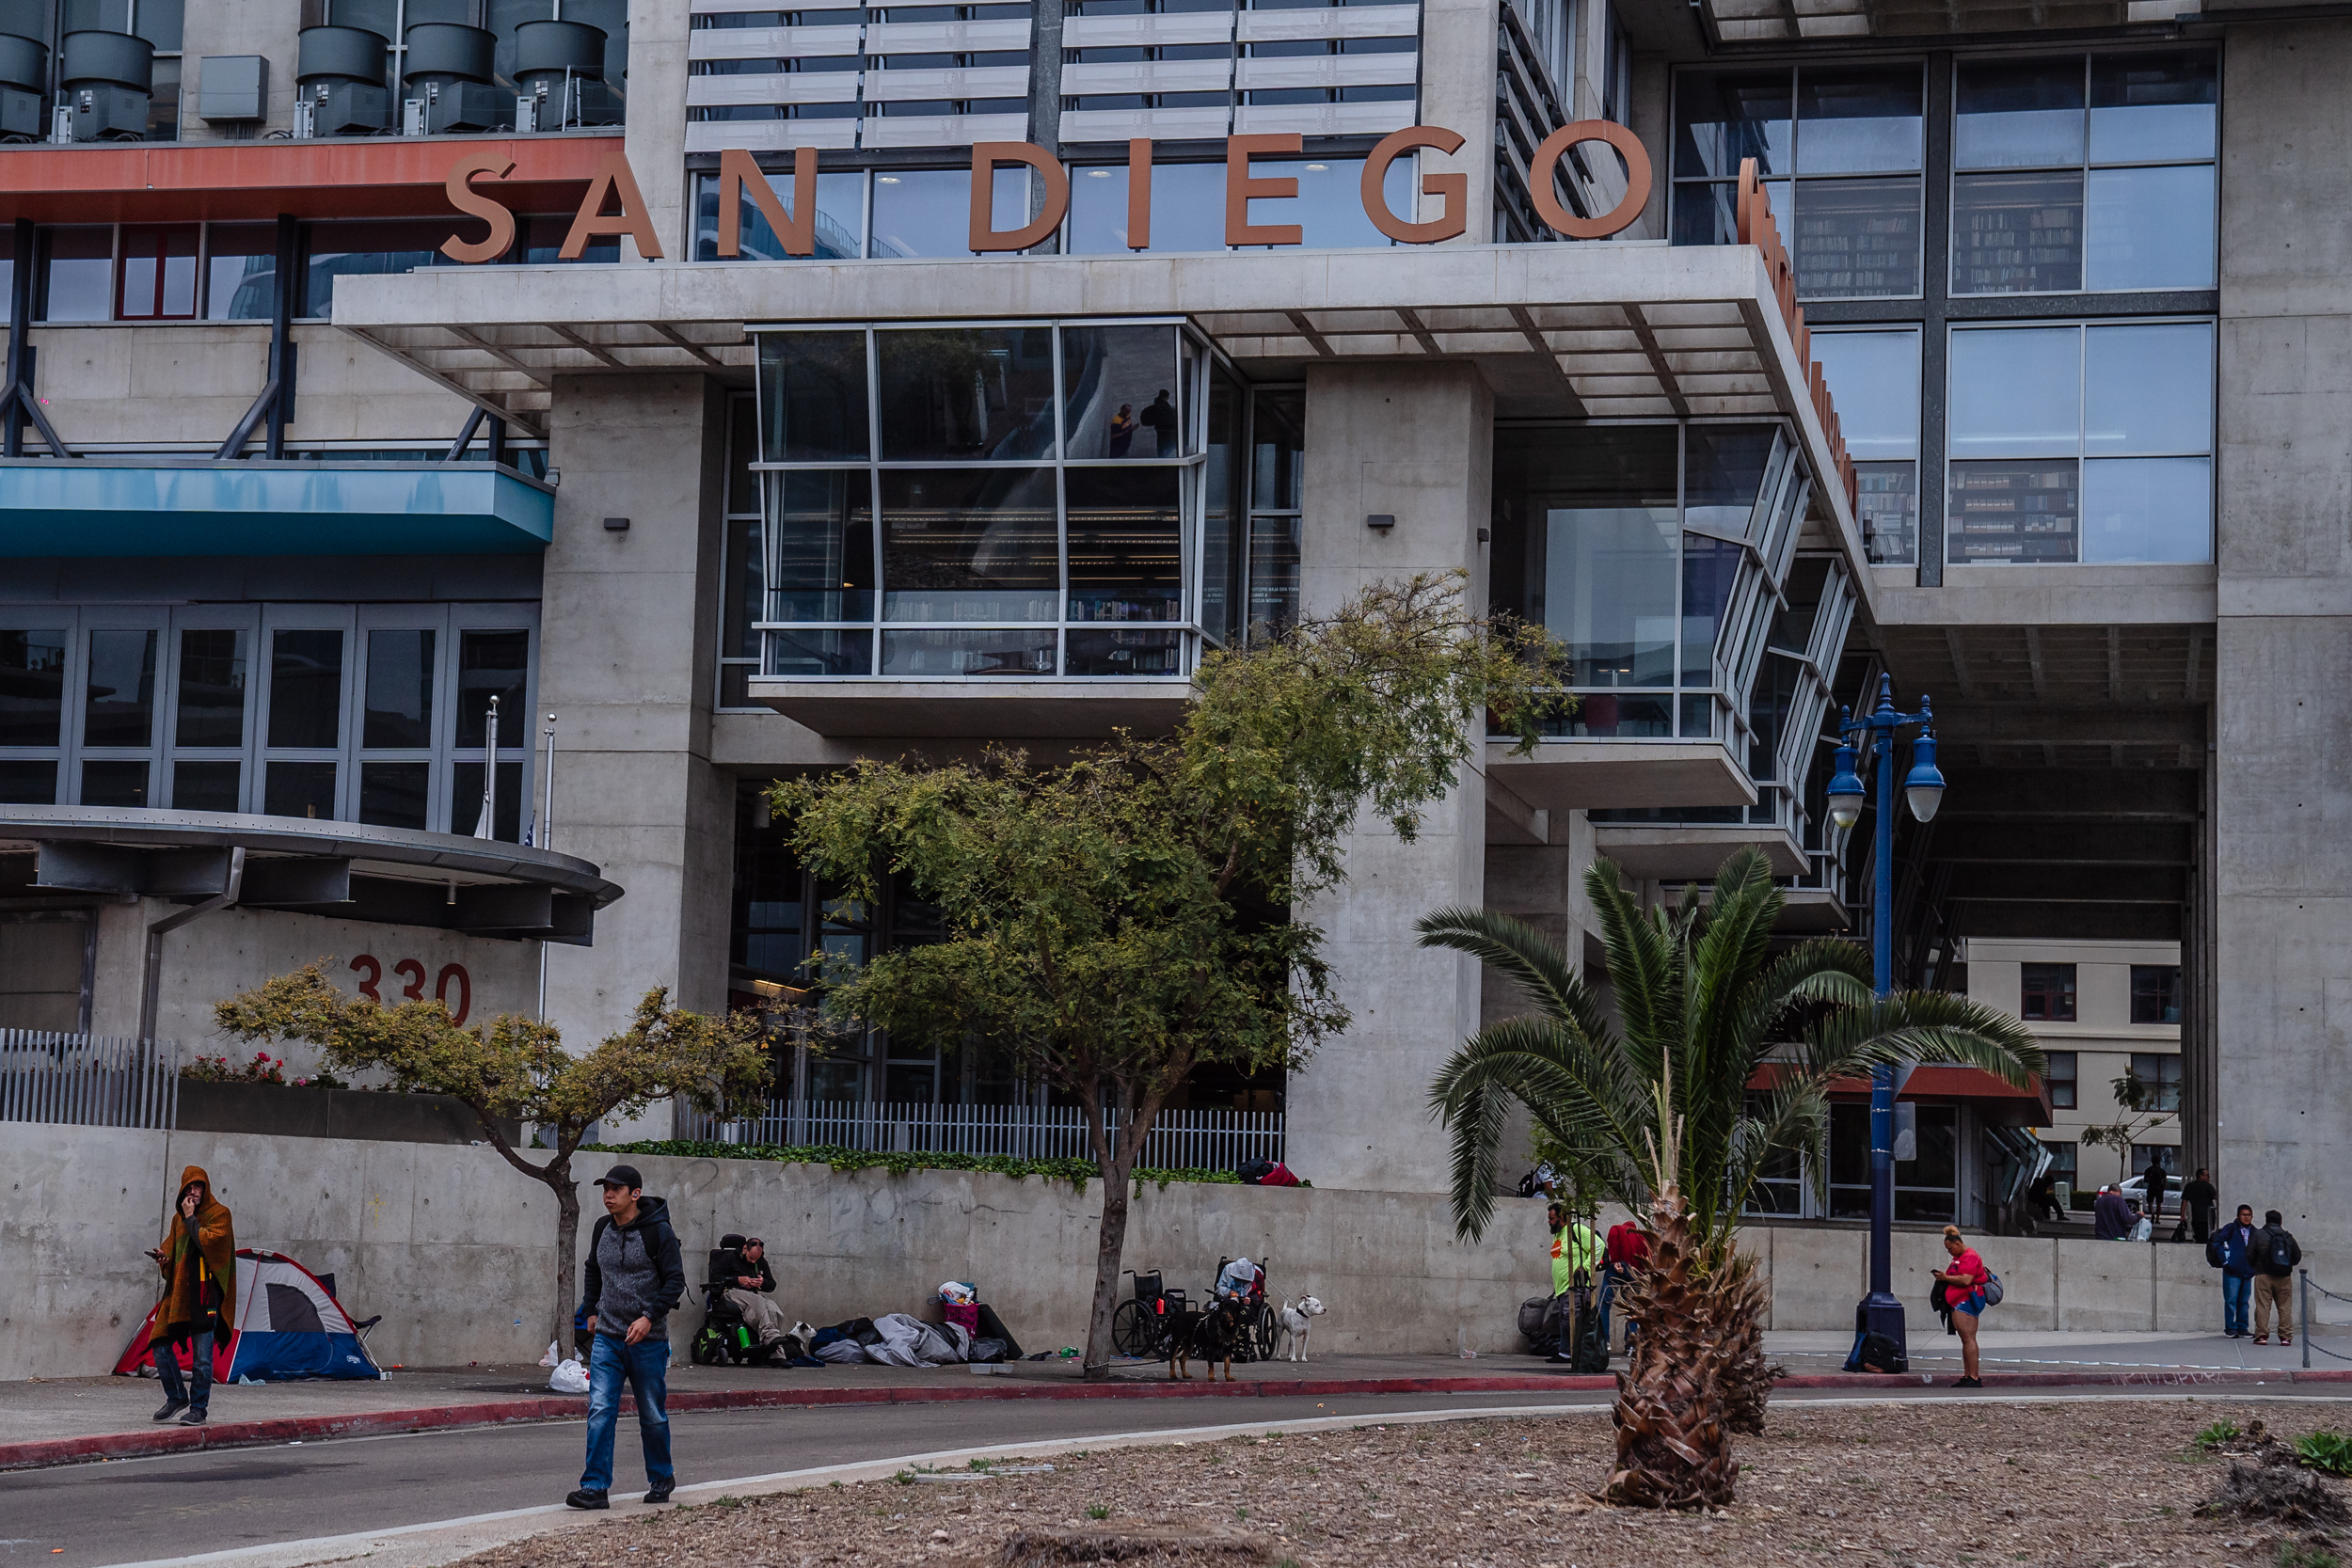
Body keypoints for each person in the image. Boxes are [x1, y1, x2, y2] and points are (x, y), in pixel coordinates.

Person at [568, 1164, 685, 1511]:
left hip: (647, 1341)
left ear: (635, 1194)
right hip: (607, 1337)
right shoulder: (602, 1227)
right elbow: (592, 1268)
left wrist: (649, 1318)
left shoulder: (658, 1232)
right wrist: (590, 1309)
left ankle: (662, 1476)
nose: (608, 1195)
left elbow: (675, 1281)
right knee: (601, 1410)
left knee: (651, 1414)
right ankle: (594, 1487)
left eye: (616, 1189)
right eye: (605, 1189)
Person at [146, 1165, 233, 1427]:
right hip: (179, 1294)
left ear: (205, 1188)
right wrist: (164, 1259)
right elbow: (173, 1252)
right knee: (160, 1345)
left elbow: (210, 1243)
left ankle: (198, 1409)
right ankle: (176, 1397)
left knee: (202, 1359)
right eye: (188, 1187)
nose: (193, 1192)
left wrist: (190, 1217)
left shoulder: (220, 1214)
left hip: (205, 1295)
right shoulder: (178, 1220)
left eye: (197, 1187)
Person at [1928, 1225, 1989, 1387]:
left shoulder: (1970, 1256)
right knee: (1965, 1339)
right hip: (1959, 1301)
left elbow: (1966, 1280)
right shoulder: (1959, 1258)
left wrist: (1945, 1278)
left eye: (1949, 1248)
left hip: (1967, 1301)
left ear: (1957, 1244)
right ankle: (1968, 1375)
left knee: (1968, 1338)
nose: (1949, 1252)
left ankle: (1974, 1377)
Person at [716, 1237, 792, 1354]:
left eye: (756, 1259)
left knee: (772, 1308)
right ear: (745, 1248)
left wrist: (762, 1283)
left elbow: (772, 1284)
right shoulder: (729, 1257)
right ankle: (770, 1338)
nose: (753, 1262)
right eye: (751, 1258)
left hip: (752, 1295)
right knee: (758, 1302)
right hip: (732, 1292)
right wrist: (738, 1279)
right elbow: (716, 1277)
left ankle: (777, 1356)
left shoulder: (760, 1261)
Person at [1544, 1204, 1598, 1364]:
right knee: (1565, 1319)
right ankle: (1565, 1351)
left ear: (1561, 1217)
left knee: (1571, 1319)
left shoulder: (1577, 1230)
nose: (1549, 1222)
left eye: (1551, 1218)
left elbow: (1598, 1246)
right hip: (1562, 1287)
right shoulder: (1558, 1234)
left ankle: (1574, 1352)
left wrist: (1585, 1267)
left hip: (1575, 1286)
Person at [2252, 1208, 2304, 1347]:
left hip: (2263, 1275)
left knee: (2263, 1306)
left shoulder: (2258, 1234)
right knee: (2285, 1306)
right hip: (2284, 1276)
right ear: (2281, 1221)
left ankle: (2262, 1335)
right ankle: (2286, 1337)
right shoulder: (2287, 1236)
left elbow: (2250, 1253)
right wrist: (2285, 1266)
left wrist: (2256, 1267)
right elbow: (2297, 1256)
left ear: (2266, 1220)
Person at [1601, 1215, 1648, 1350]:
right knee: (1631, 1308)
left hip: (1618, 1268)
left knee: (1605, 1304)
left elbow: (1612, 1237)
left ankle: (1605, 1341)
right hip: (1634, 1273)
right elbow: (1646, 1256)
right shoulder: (1641, 1237)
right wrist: (1640, 1274)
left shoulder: (1617, 1228)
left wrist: (1615, 1260)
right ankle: (1631, 1345)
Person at [2213, 1203, 2260, 1338]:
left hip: (2248, 1271)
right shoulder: (2230, 1228)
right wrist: (2225, 1261)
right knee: (2231, 1300)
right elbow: (2218, 1243)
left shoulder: (2255, 1231)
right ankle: (2230, 1327)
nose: (2246, 1218)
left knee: (2244, 1302)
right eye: (2244, 1215)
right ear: (2238, 1216)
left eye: (2249, 1215)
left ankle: (2242, 1327)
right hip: (2232, 1271)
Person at [2183, 1167, 2219, 1243]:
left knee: (2198, 1236)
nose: (2209, 1177)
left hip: (2196, 1216)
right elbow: (2217, 1197)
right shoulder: (2208, 1186)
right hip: (2208, 1216)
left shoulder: (2189, 1186)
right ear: (2201, 1176)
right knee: (2208, 1236)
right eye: (2207, 1175)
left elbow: (2184, 1202)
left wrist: (2182, 1215)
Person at [1139, 389, 1179, 455]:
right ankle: (1163, 455)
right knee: (1165, 443)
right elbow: (1164, 417)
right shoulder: (1161, 406)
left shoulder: (1160, 404)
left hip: (1162, 428)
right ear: (1165, 397)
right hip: (1164, 428)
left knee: (1163, 443)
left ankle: (1163, 454)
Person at [2144, 1153, 2173, 1226]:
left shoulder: (2148, 1170)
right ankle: (2157, 1218)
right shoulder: (2162, 1171)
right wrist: (2163, 1188)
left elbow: (2145, 1180)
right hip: (2159, 1189)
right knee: (2159, 1204)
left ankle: (2152, 1214)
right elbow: (2165, 1180)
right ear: (2159, 1162)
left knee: (2150, 1203)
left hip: (2151, 1188)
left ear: (2152, 1161)